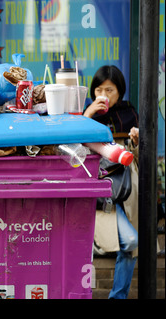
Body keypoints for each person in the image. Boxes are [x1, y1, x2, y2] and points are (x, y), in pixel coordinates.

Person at [84, 65, 139, 299]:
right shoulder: (84, 113)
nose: (104, 95)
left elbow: (138, 155)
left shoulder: (130, 113)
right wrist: (88, 114)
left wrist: (136, 141)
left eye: (110, 90)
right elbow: (72, 146)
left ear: (120, 91)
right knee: (129, 240)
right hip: (94, 189)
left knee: (131, 244)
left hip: (121, 190)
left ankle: (118, 296)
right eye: (98, 90)